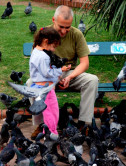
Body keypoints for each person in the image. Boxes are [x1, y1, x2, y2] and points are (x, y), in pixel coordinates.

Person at [28, 5, 99, 138]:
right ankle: (42, 124)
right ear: (53, 19)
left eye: (68, 27)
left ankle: (84, 124)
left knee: (92, 80)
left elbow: (85, 63)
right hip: (48, 74)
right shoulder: (45, 35)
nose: (64, 31)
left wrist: (70, 77)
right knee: (31, 83)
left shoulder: (76, 34)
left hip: (70, 72)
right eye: (61, 26)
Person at [29, 26, 71, 138]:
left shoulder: (36, 51)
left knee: (49, 112)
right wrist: (60, 70)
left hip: (40, 88)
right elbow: (47, 73)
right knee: (52, 113)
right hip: (45, 89)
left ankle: (47, 132)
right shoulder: (43, 56)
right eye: (53, 46)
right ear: (46, 41)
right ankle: (52, 134)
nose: (53, 50)